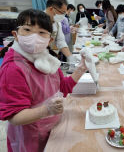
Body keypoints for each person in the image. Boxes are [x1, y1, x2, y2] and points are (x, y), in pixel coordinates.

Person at [0, 9, 88, 152]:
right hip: (30, 138)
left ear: (49, 39)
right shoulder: (13, 68)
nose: (34, 36)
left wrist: (80, 70)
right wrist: (47, 110)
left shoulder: (47, 60)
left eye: (41, 32)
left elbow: (63, 88)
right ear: (16, 35)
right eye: (27, 30)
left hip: (51, 129)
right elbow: (14, 116)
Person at [45, 0, 76, 64]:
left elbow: (60, 41)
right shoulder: (36, 20)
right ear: (51, 9)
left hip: (48, 56)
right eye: (62, 12)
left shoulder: (57, 23)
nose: (63, 15)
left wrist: (70, 57)